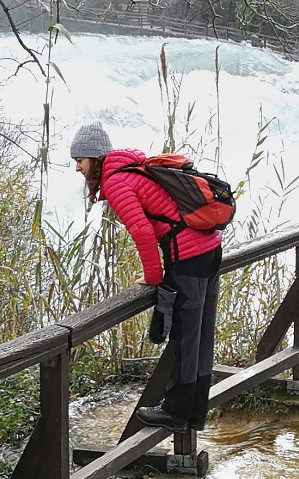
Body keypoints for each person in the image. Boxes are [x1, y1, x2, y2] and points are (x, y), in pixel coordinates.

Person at [70, 123, 222, 435]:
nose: (77, 168)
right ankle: (195, 412)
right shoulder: (134, 166)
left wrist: (153, 277)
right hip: (210, 248)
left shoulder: (116, 183)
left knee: (185, 338)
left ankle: (176, 412)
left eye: (80, 161)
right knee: (201, 335)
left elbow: (141, 232)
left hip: (188, 258)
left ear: (95, 159)